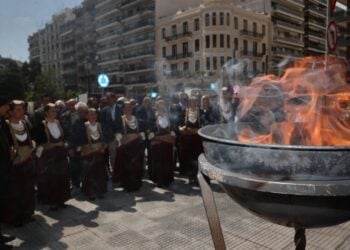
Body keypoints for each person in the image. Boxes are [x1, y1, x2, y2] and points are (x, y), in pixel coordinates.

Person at [3, 100, 35, 227]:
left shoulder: (24, 123)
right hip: (14, 166)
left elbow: (30, 138)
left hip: (27, 162)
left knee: (27, 189)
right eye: (18, 109)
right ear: (10, 112)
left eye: (22, 109)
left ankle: (27, 214)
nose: (22, 111)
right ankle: (15, 217)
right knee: (15, 192)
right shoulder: (5, 125)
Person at [32, 103, 70, 210]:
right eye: (52, 111)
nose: (55, 113)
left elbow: (63, 137)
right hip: (49, 158)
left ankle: (61, 200)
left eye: (55, 111)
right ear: (46, 113)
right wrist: (53, 145)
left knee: (62, 177)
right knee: (51, 180)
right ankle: (52, 202)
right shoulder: (41, 125)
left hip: (61, 156)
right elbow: (39, 143)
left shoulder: (58, 123)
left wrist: (64, 143)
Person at [118, 101, 145, 192]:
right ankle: (128, 185)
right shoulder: (120, 119)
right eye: (126, 107)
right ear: (123, 109)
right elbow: (118, 132)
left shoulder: (137, 119)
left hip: (137, 147)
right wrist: (119, 137)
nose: (128, 109)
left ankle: (137, 184)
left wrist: (142, 135)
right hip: (126, 148)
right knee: (127, 166)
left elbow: (141, 130)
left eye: (130, 107)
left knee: (137, 166)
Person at [148, 100, 176, 187]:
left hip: (167, 143)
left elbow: (172, 127)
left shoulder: (168, 117)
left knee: (167, 161)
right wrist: (152, 133)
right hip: (158, 143)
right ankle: (159, 180)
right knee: (158, 162)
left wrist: (173, 132)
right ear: (157, 107)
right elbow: (150, 128)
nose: (161, 108)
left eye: (163, 106)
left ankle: (167, 179)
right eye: (159, 106)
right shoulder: (153, 117)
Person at [0, 96, 16, 247]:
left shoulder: (1, 121)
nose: (8, 109)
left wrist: (9, 151)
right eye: (6, 106)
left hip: (4, 165)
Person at [178, 96, 203, 184]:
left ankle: (197, 176)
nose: (193, 102)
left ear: (197, 102)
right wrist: (182, 128)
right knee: (188, 158)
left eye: (194, 101)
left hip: (197, 139)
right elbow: (180, 124)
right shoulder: (185, 111)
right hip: (188, 139)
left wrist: (198, 130)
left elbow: (203, 123)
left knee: (196, 158)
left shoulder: (200, 112)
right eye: (191, 101)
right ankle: (190, 176)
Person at [100, 92, 123, 183]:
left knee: (122, 156)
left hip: (122, 137)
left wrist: (120, 133)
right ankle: (116, 176)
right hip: (111, 138)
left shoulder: (121, 108)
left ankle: (124, 175)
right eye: (106, 99)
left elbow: (123, 121)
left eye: (108, 99)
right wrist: (112, 134)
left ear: (114, 99)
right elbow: (103, 124)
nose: (107, 100)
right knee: (113, 157)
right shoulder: (105, 110)